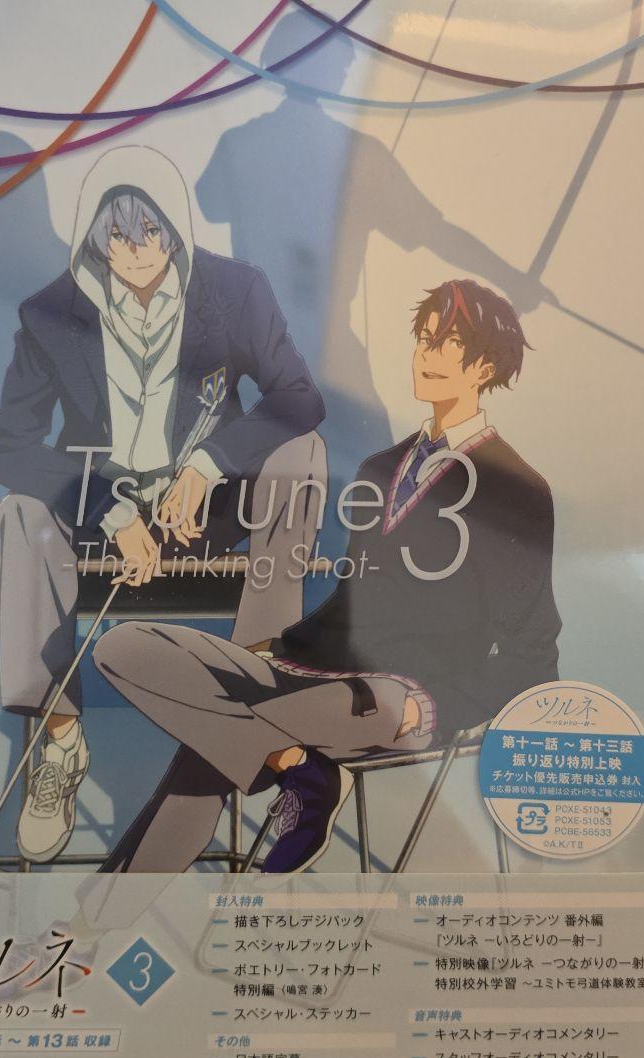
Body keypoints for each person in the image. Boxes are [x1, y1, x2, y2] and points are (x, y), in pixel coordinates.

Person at [93, 279, 561, 875]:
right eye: (424, 338)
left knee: (215, 746)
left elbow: (532, 655)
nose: (427, 354)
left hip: (399, 698)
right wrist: (279, 646)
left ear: (485, 367)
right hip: (318, 670)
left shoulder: (517, 490)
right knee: (124, 646)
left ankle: (93, 921)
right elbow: (355, 600)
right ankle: (302, 768)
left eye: (448, 343)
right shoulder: (379, 468)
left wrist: (436, 707)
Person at [0, 145, 326, 864]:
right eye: (117, 235)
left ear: (175, 228)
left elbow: (299, 398)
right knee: (20, 510)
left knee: (303, 453)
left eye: (151, 232)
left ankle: (258, 691)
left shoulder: (236, 290)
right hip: (98, 522)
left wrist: (207, 464)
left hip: (206, 516)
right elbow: (7, 446)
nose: (136, 251)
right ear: (93, 234)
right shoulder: (50, 313)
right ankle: (60, 741)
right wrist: (111, 512)